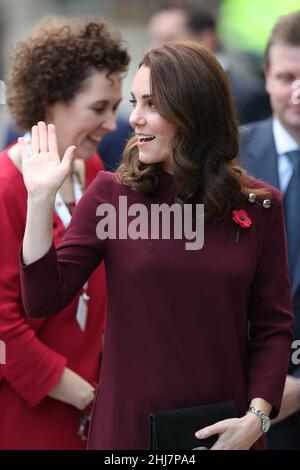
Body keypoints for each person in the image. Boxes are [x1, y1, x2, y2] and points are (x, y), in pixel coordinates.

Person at [19, 41, 293, 450]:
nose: (135, 118)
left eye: (151, 103)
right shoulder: (110, 194)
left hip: (227, 435)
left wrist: (255, 421)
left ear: (194, 110)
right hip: (128, 432)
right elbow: (42, 298)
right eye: (135, 102)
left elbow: (274, 328)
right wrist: (39, 201)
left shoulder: (260, 205)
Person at [0, 17, 129, 450]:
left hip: (93, 407)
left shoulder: (92, 172)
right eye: (99, 108)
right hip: (28, 414)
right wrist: (84, 394)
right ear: (52, 101)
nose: (113, 124)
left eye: (115, 107)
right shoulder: (4, 187)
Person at [240, 11, 300, 450]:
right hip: (236, 392)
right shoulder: (229, 157)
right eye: (286, 76)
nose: (297, 91)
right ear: (266, 79)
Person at [148, 6, 272, 124]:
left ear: (205, 38)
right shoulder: (152, 90)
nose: (157, 48)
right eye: (155, 39)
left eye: (169, 38)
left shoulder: (247, 96)